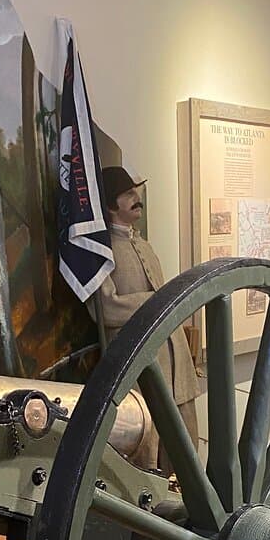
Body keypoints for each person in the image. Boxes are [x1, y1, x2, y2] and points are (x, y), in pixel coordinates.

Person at [91, 165, 200, 470]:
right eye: (128, 194)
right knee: (147, 449)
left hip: (174, 360)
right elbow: (107, 307)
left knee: (185, 446)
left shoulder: (144, 246)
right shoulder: (102, 252)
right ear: (112, 204)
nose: (136, 199)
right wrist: (154, 301)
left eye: (135, 192)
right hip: (140, 364)